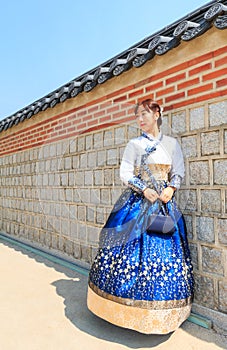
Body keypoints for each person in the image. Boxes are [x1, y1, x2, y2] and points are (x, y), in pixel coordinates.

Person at [87, 98, 194, 334]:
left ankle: (163, 315)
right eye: (137, 116)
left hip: (164, 205)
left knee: (165, 247)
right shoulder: (134, 144)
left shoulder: (171, 144)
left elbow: (178, 170)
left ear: (157, 113)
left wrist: (171, 188)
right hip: (138, 202)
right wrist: (144, 189)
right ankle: (120, 309)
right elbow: (124, 172)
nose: (140, 119)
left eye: (144, 114)